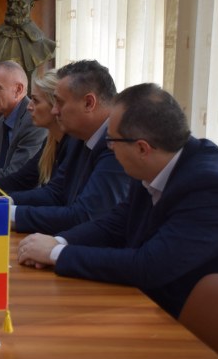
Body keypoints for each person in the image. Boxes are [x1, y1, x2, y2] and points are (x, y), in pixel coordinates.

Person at [17, 83, 218, 318]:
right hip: (144, 304)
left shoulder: (212, 185)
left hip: (185, 321)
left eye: (111, 141)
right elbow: (117, 223)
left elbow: (150, 265)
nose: (109, 148)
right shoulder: (153, 161)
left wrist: (56, 254)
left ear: (142, 148)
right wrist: (57, 241)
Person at [9, 60, 132, 234]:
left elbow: (85, 216)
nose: (54, 111)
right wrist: (4, 202)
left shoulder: (118, 144)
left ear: (89, 103)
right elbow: (56, 193)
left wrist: (8, 214)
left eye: (59, 102)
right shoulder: (79, 135)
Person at [0, 70, 69, 193]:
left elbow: (53, 196)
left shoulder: (72, 144)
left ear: (55, 105)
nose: (29, 106)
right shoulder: (50, 141)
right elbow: (21, 179)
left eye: (36, 100)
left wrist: (5, 200)